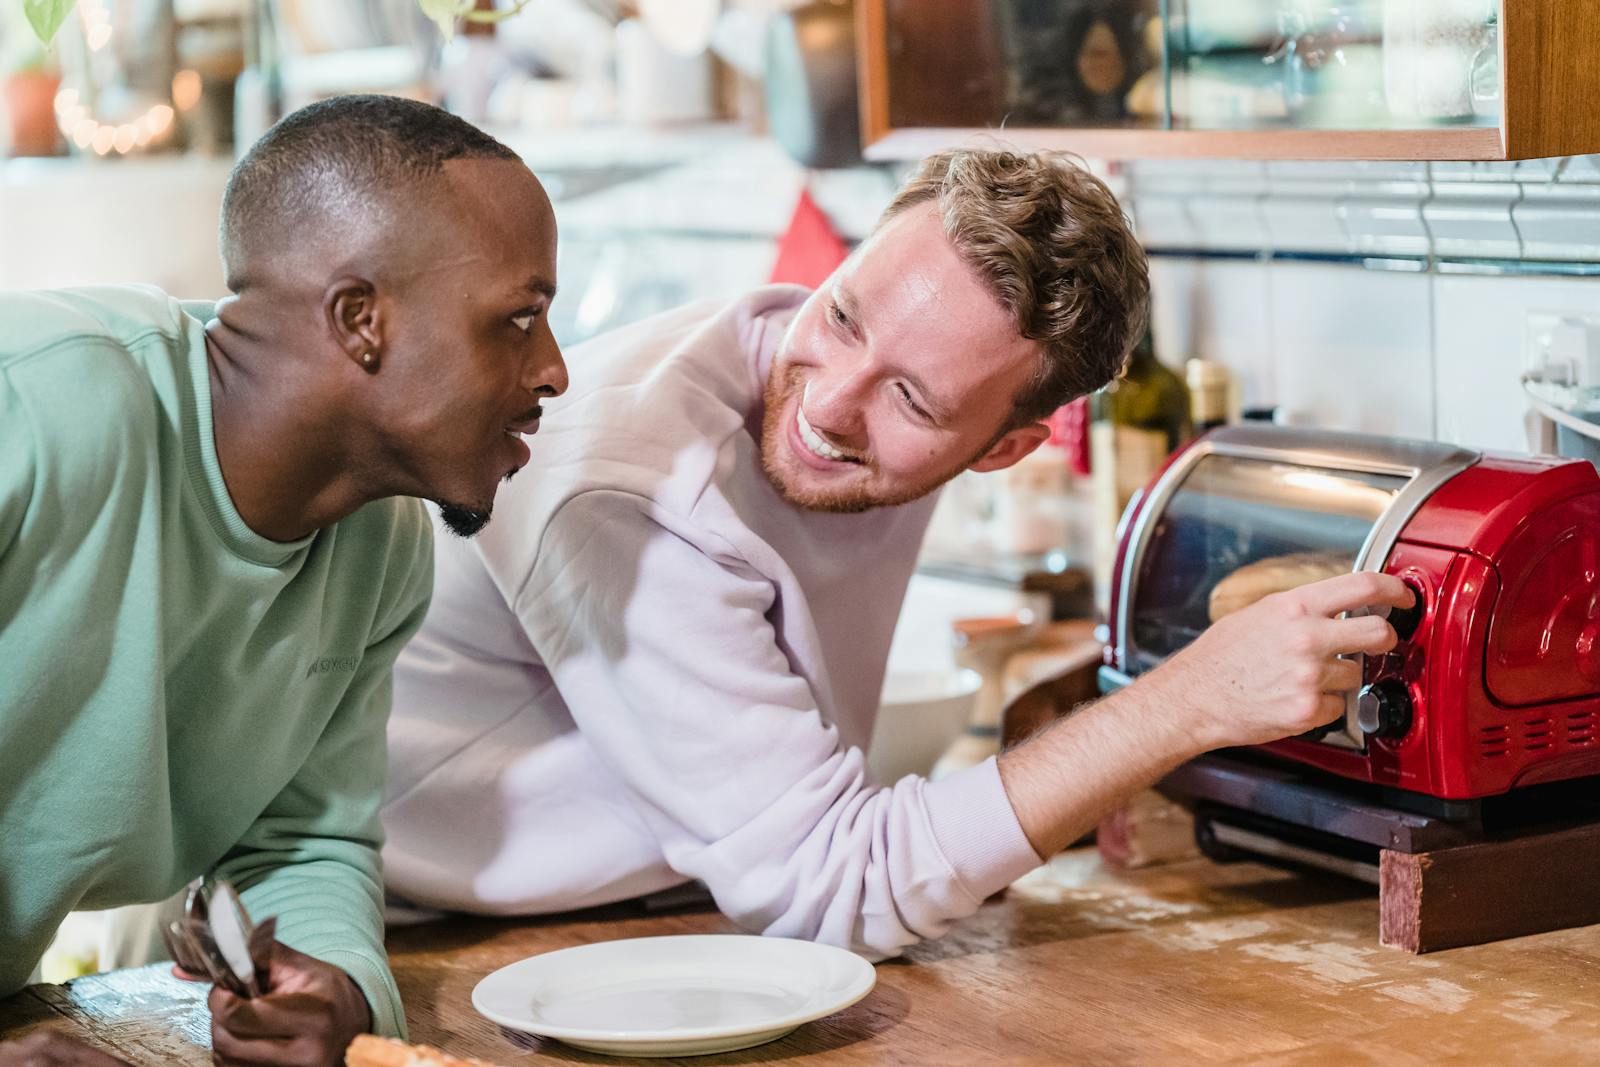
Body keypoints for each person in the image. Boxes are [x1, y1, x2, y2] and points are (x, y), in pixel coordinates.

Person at [379, 148, 1412, 953]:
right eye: (842, 315)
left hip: (645, 906)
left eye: (913, 397)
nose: (828, 402)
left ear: (1004, 449)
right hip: (443, 936)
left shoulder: (854, 406)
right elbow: (830, 888)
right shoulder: (627, 493)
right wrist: (1188, 700)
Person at [0, 94, 567, 1066]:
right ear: (361, 319)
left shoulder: (378, 548)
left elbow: (300, 838)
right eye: (517, 318)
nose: (553, 370)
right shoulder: (41, 405)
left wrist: (329, 987)